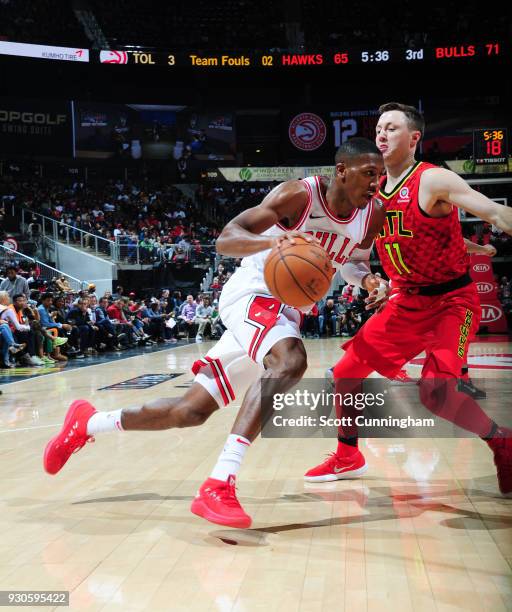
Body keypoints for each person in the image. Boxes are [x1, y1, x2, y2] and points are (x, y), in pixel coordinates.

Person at [43, 138, 387, 529]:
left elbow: (353, 264)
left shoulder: (372, 214)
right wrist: (273, 241)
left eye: (380, 175)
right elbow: (227, 238)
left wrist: (370, 281)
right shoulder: (299, 196)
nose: (376, 182)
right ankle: (219, 484)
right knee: (290, 361)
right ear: (341, 171)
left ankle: (87, 423)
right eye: (368, 174)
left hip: (286, 313)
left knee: (188, 412)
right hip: (252, 295)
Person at [305, 102, 512, 495]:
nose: (381, 134)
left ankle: (501, 441)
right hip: (404, 301)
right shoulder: (368, 191)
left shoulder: (433, 179)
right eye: (379, 128)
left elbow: (494, 214)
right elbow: (361, 257)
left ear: (414, 138)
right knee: (345, 373)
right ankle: (348, 454)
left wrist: (476, 239)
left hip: (452, 301)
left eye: (392, 128)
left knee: (438, 396)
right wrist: (372, 283)